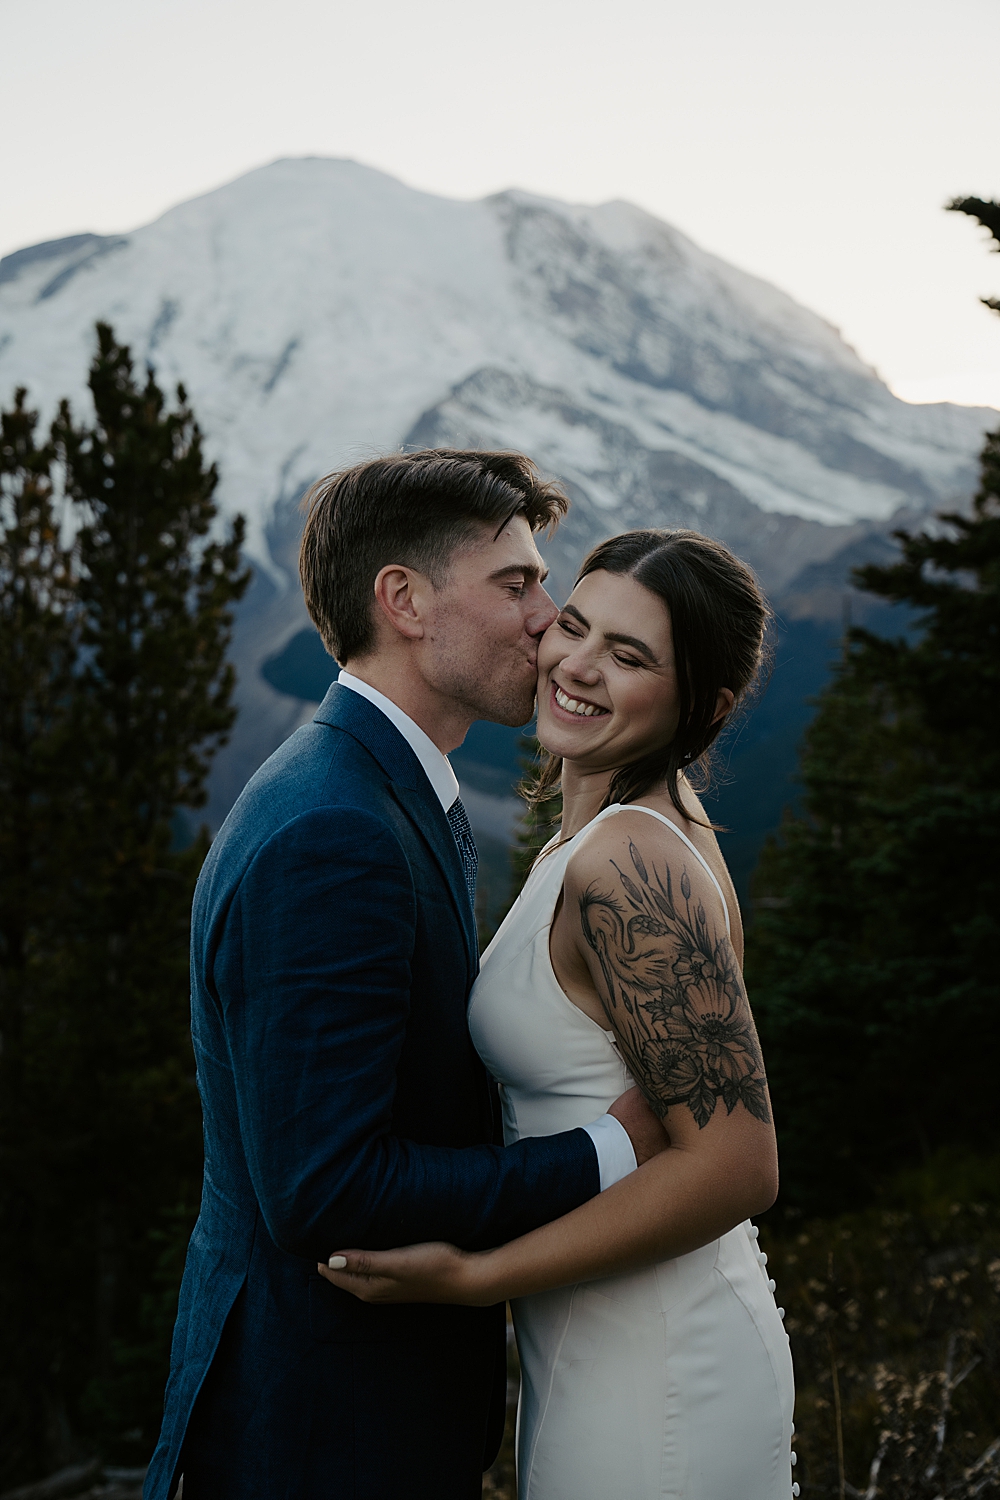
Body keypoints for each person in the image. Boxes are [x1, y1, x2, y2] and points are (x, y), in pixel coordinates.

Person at [144, 452, 669, 1500]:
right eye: (515, 584)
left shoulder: (376, 787)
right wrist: (612, 1147)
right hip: (319, 1438)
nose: (547, 618)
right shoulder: (334, 828)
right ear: (404, 600)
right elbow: (329, 1189)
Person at [319, 529, 797, 1500]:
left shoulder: (631, 862)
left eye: (629, 656)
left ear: (698, 707)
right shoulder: (602, 839)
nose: (577, 666)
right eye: (573, 627)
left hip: (657, 1368)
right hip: (603, 1346)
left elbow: (737, 1163)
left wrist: (477, 1276)